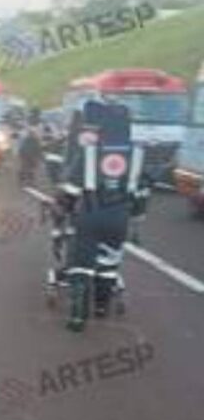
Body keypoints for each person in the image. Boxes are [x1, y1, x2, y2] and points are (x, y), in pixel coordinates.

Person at [56, 100, 143, 332]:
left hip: (90, 214)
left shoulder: (90, 152)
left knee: (81, 263)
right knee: (108, 265)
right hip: (119, 218)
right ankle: (102, 307)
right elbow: (141, 194)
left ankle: (77, 316)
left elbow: (71, 189)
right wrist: (135, 221)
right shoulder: (137, 154)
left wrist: (64, 209)